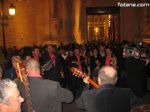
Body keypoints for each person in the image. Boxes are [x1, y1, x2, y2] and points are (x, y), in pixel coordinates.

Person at [76, 66, 140, 112]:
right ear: (116, 80)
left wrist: (86, 86)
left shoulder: (87, 95)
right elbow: (137, 107)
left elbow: (79, 105)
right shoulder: (127, 92)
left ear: (99, 79)